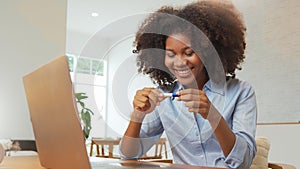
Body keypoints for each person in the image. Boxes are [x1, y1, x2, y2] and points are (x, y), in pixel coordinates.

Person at [119, 0, 257, 168]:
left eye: (189, 53)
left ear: (207, 50)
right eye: (170, 54)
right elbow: (128, 155)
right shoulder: (163, 97)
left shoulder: (241, 92)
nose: (179, 62)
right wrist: (138, 116)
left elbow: (243, 162)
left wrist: (212, 114)